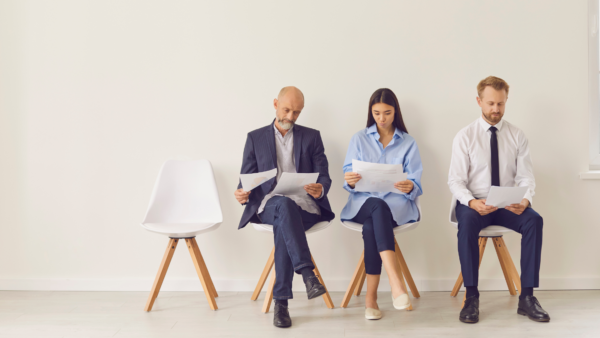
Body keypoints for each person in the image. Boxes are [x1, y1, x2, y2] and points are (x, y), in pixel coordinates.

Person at [448, 76, 550, 323]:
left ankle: (527, 297)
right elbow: (456, 181)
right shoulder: (465, 136)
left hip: (506, 202)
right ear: (479, 101)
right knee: (468, 224)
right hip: (475, 203)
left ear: (506, 102)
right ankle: (471, 296)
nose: (496, 109)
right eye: (491, 103)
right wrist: (472, 202)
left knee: (534, 221)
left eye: (501, 104)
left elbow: (526, 178)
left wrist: (525, 200)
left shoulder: (516, 135)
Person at [234, 86, 335, 328]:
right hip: (269, 204)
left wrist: (320, 188)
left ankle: (282, 302)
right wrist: (241, 192)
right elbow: (245, 180)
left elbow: (324, 176)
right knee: (282, 205)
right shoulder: (255, 137)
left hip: (304, 206)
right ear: (275, 104)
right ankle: (307, 275)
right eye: (286, 110)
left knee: (285, 218)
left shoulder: (312, 137)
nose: (290, 117)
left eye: (297, 112)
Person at [341, 88, 423, 320]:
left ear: (395, 112)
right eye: (376, 113)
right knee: (376, 204)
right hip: (362, 205)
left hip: (396, 208)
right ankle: (396, 283)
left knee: (371, 228)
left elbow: (416, 182)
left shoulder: (408, 142)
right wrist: (351, 180)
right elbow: (348, 177)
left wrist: (410, 187)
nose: (382, 118)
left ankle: (371, 299)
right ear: (371, 112)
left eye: (387, 113)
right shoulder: (358, 139)